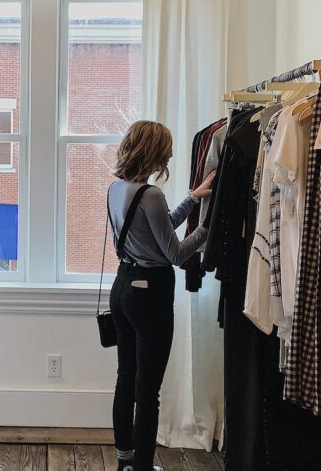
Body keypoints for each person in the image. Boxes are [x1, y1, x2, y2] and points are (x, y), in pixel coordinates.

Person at [107, 120, 213, 471]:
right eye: (166, 147)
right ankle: (143, 468)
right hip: (149, 295)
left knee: (126, 378)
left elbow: (156, 226)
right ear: (153, 151)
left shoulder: (117, 189)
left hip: (122, 287)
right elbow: (176, 254)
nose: (170, 153)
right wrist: (208, 227)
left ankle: (125, 460)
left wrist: (193, 199)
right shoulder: (150, 194)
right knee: (147, 389)